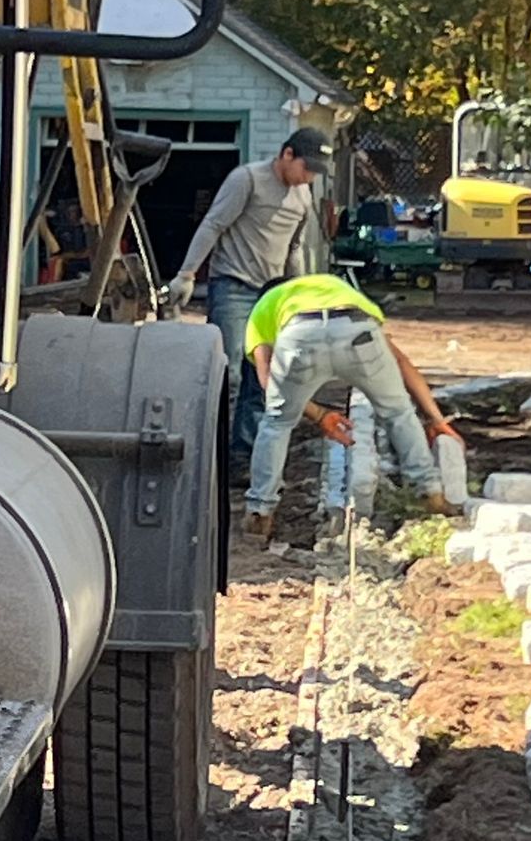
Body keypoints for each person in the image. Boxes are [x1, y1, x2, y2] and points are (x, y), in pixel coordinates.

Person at [240, 269, 460, 540]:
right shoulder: (334, 287)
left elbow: (268, 383)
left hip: (299, 334)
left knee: (276, 422)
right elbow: (401, 363)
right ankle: (431, 493)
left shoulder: (263, 309)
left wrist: (320, 415)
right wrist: (436, 419)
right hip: (355, 325)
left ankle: (260, 512)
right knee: (398, 412)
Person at [163, 128, 334, 471]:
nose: (309, 177)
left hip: (271, 294)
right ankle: (208, 454)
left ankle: (242, 456)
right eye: (306, 167)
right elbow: (213, 225)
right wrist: (186, 274)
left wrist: (295, 294)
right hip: (234, 287)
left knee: (261, 376)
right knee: (228, 375)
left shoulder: (302, 195)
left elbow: (295, 248)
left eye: (316, 172)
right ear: (287, 154)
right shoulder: (247, 180)